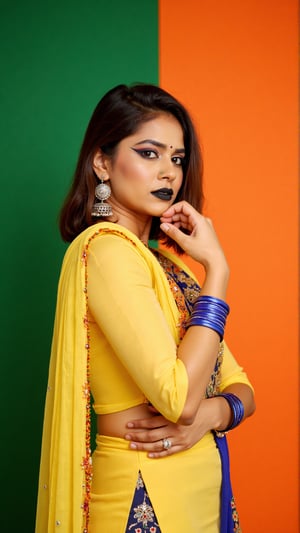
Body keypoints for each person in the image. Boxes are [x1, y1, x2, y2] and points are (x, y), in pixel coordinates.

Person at [35, 83, 255, 533]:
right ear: (102, 162)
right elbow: (177, 399)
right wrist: (218, 270)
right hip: (144, 491)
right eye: (150, 153)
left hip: (202, 491)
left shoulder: (165, 264)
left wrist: (210, 417)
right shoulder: (105, 251)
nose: (169, 173)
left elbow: (242, 389)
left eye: (176, 158)